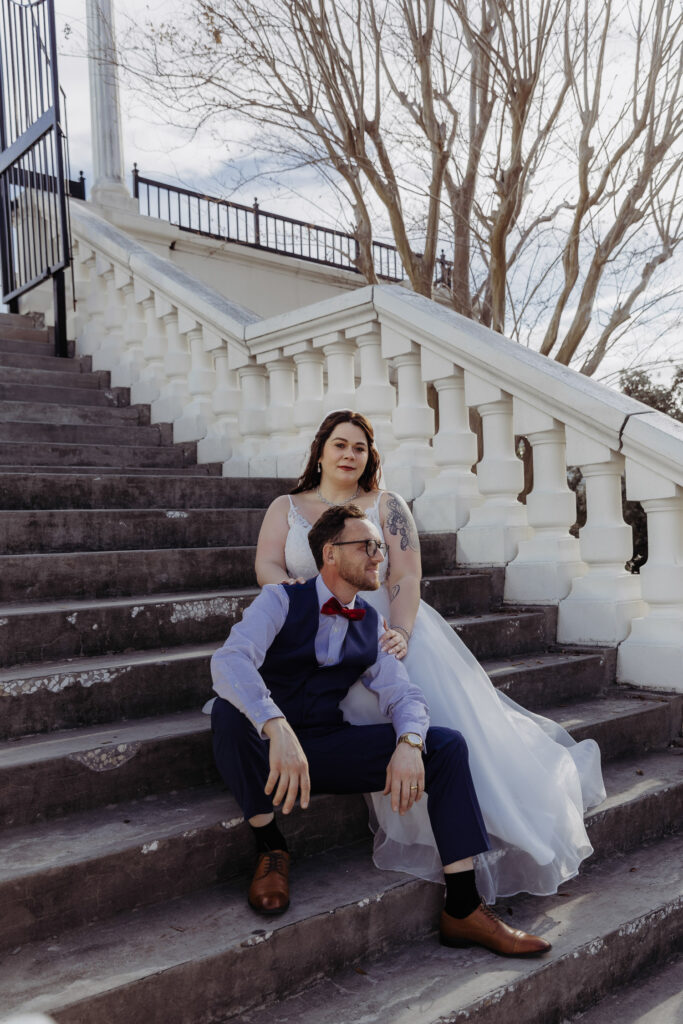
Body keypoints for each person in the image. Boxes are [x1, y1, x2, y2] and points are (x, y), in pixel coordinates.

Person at [253, 410, 606, 903]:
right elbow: (267, 563)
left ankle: (476, 817)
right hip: (309, 628)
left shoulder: (387, 505)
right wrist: (290, 593)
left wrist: (399, 629)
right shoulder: (286, 507)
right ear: (320, 451)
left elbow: (405, 574)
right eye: (340, 445)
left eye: (359, 447)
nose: (349, 455)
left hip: (381, 627)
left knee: (425, 718)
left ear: (368, 456)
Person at [211, 504, 552, 956]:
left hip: (327, 747)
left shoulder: (371, 623)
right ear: (330, 554)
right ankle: (271, 847)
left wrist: (410, 743)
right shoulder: (279, 600)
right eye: (367, 546)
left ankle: (464, 908)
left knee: (446, 746)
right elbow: (229, 661)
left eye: (379, 546)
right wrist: (276, 726)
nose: (379, 556)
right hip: (267, 744)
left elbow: (404, 695)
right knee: (226, 713)